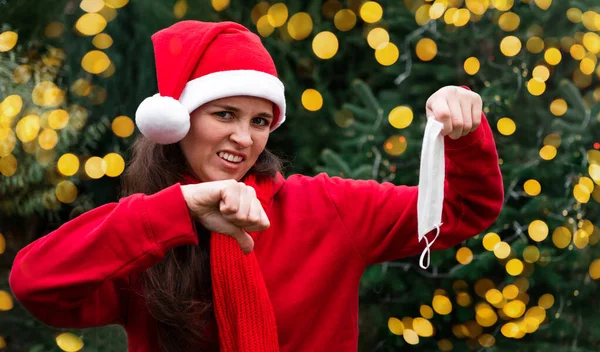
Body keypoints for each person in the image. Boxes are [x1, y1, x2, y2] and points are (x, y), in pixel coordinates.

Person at [9, 20, 504, 352]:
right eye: (224, 114)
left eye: (261, 120)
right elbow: (35, 284)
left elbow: (463, 209)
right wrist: (177, 210)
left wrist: (461, 134)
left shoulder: (326, 207)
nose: (243, 139)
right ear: (177, 122)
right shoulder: (148, 232)